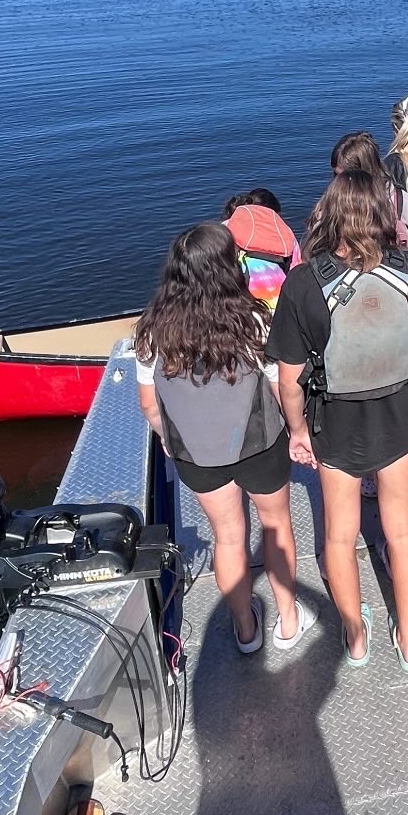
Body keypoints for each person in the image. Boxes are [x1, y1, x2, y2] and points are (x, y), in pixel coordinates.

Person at [267, 172, 408, 674]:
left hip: (336, 426)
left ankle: (355, 636)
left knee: (339, 536)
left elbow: (288, 377)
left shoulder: (304, 283)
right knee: (402, 532)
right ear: (383, 214)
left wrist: (298, 429)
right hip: (402, 418)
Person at [134, 222, 315, 656]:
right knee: (276, 528)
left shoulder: (152, 330)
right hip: (259, 444)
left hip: (197, 456)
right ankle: (289, 620)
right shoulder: (253, 320)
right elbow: (278, 388)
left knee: (229, 537)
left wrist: (167, 437)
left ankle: (246, 628)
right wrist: (298, 431)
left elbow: (149, 406)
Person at [330, 130, 408, 250]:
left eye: (343, 178)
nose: (337, 183)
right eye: (335, 175)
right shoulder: (331, 206)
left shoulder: (406, 207)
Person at [221, 189, 301, 311]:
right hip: (278, 305)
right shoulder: (285, 234)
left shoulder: (225, 228)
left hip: (235, 304)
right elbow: (297, 273)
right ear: (274, 214)